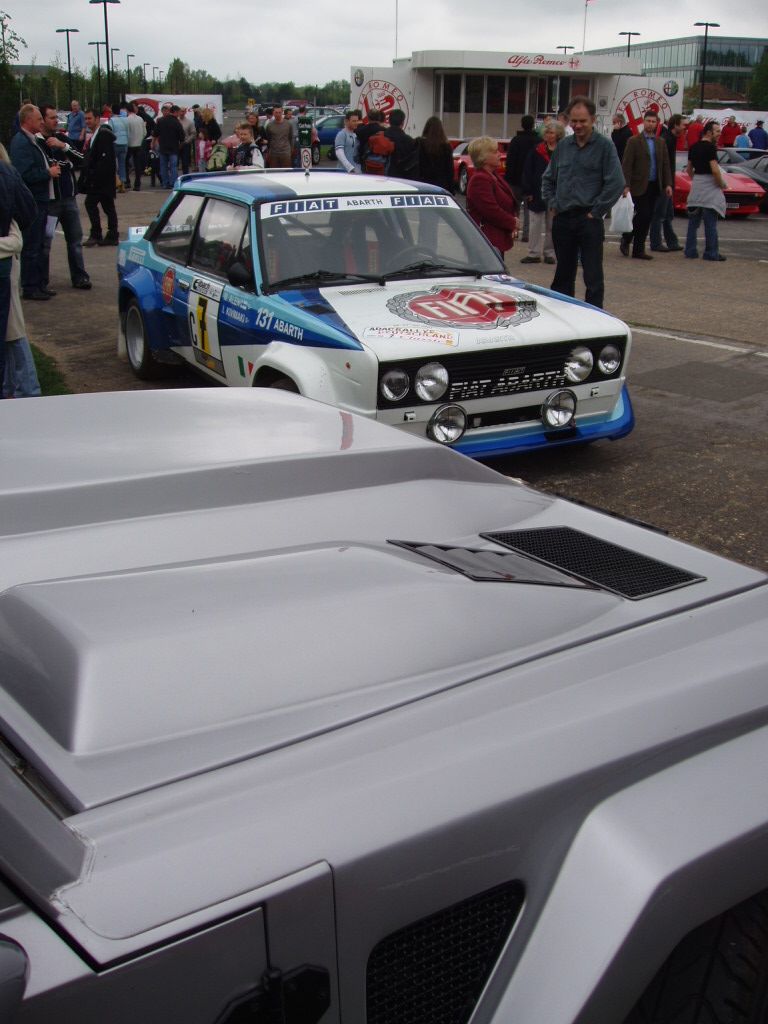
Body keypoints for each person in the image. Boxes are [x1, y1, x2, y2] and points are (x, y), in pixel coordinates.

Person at [541, 95, 624, 309]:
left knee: (593, 274)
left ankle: (595, 318)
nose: (577, 125)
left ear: (593, 120)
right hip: (563, 218)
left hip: (589, 219)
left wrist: (596, 211)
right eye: (574, 121)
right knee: (563, 274)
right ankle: (562, 318)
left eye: (582, 121)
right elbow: (548, 178)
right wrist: (552, 203)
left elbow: (616, 182)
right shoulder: (563, 147)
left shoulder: (605, 147)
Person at [9, 103, 61, 301]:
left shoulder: (32, 140)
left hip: (40, 200)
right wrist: (47, 172)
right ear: (27, 120)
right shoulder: (21, 143)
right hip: (33, 202)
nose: (41, 122)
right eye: (39, 119)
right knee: (32, 245)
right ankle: (30, 286)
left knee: (39, 244)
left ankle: (39, 283)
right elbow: (24, 174)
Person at [38, 104, 91, 290]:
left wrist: (64, 146)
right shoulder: (36, 142)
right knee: (45, 243)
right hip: (50, 201)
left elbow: (81, 159)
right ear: (42, 120)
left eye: (56, 117)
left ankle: (80, 276)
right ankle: (41, 281)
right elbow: (49, 167)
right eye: (51, 118)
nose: (55, 121)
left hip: (68, 198)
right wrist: (64, 165)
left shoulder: (61, 138)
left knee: (75, 240)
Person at [0, 150, 36, 390]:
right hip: (5, 264)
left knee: (13, 329)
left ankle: (23, 387)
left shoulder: (7, 173)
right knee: (11, 329)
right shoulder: (7, 172)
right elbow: (27, 212)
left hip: (5, 263)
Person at [619, 108, 673, 260]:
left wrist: (668, 184)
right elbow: (627, 164)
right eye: (648, 121)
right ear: (643, 122)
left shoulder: (660, 142)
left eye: (653, 121)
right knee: (643, 214)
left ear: (657, 124)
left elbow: (665, 165)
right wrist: (626, 185)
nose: (650, 124)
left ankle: (634, 246)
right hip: (638, 185)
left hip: (655, 184)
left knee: (647, 217)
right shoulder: (634, 141)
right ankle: (629, 240)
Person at [520, 121, 564, 264]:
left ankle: (549, 253)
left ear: (558, 135)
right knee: (535, 224)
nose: (548, 135)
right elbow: (527, 170)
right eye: (546, 132)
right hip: (536, 192)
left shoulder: (563, 151)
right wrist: (528, 190)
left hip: (555, 194)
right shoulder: (536, 150)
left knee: (552, 225)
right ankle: (533, 253)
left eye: (551, 133)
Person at [466, 135, 518, 256]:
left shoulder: (492, 175)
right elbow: (491, 210)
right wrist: (512, 222)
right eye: (495, 152)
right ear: (483, 157)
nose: (499, 154)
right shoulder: (480, 179)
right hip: (486, 240)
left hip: (495, 238)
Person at [684, 120, 727, 262]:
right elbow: (715, 170)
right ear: (709, 132)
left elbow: (689, 169)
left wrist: (696, 180)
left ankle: (690, 251)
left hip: (696, 188)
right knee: (710, 225)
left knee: (693, 224)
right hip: (710, 190)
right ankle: (711, 253)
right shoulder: (710, 148)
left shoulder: (694, 147)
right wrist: (721, 184)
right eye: (717, 131)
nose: (719, 134)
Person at [81, 108, 119, 247]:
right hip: (102, 180)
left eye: (89, 118)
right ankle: (112, 234)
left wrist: (93, 176)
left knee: (90, 204)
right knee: (108, 206)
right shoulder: (97, 134)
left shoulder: (103, 135)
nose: (87, 121)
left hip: (100, 180)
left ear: (97, 119)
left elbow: (105, 159)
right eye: (85, 119)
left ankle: (97, 233)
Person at [649, 113, 685, 253]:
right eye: (683, 125)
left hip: (667, 182)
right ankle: (656, 242)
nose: (684, 128)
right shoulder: (666, 140)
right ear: (675, 125)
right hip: (664, 183)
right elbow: (663, 163)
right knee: (659, 214)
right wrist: (666, 183)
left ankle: (671, 241)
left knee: (667, 214)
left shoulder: (670, 139)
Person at [504, 114, 539, 243]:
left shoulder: (516, 140)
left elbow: (510, 161)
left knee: (514, 207)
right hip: (532, 180)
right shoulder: (538, 141)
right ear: (533, 124)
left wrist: (508, 178)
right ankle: (527, 234)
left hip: (515, 178)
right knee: (529, 209)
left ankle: (514, 230)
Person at [416, 116, 454, 192]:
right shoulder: (446, 147)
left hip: (422, 184)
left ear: (426, 128)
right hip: (441, 186)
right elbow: (450, 170)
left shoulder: (419, 143)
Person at [152, 103, 185, 187]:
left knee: (163, 166)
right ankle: (173, 183)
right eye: (178, 112)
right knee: (173, 166)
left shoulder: (161, 120)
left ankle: (164, 183)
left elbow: (155, 134)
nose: (179, 115)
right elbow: (182, 137)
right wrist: (180, 144)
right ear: (176, 112)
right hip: (173, 148)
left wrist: (153, 143)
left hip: (163, 147)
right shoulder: (177, 123)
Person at [383, 109, 418, 179]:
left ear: (389, 121)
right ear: (402, 123)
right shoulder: (409, 140)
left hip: (382, 177)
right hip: (402, 178)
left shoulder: (382, 136)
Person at [125, 102, 146, 190]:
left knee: (126, 163)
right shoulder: (140, 119)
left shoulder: (127, 120)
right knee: (137, 164)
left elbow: (126, 132)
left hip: (129, 144)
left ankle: (127, 181)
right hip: (138, 144)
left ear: (127, 110)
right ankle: (137, 184)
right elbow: (144, 132)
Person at [109, 105, 129, 189]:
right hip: (124, 143)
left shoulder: (112, 120)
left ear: (112, 111)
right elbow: (128, 131)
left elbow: (110, 132)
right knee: (122, 164)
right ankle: (123, 183)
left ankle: (116, 182)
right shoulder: (125, 119)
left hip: (115, 143)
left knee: (113, 164)